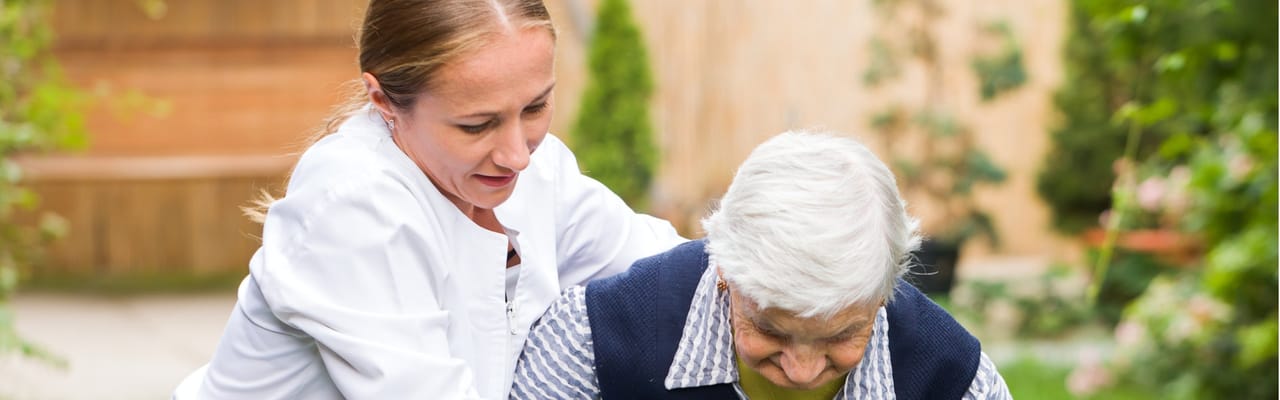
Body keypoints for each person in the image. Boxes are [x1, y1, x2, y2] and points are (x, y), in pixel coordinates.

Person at [172, 1, 685, 399]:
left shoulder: (540, 168)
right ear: (383, 102)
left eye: (536, 107)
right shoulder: (356, 210)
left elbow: (666, 272)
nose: (517, 156)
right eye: (476, 124)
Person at [510, 131, 1011, 400]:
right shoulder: (590, 339)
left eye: (840, 336)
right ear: (724, 270)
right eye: (771, 328)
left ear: (885, 293)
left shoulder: (953, 378)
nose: (802, 369)